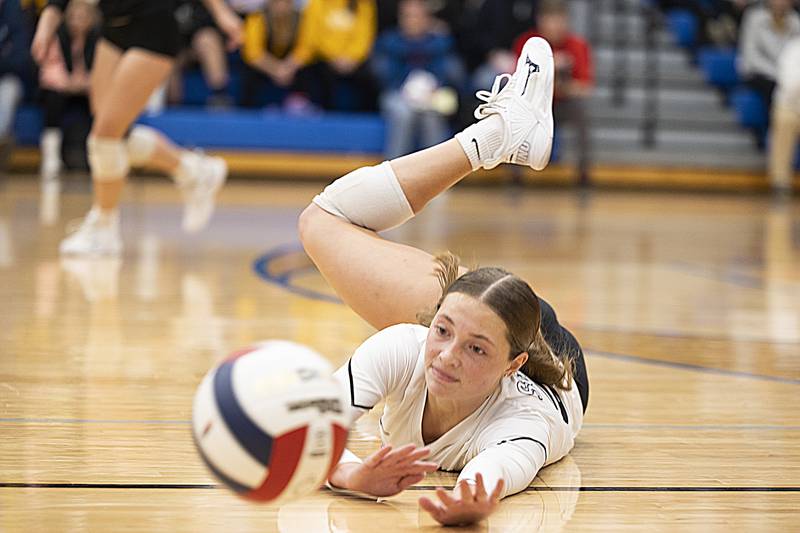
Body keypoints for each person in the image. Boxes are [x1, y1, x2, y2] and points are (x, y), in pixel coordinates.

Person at [299, 37, 588, 527]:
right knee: (323, 219)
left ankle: (500, 136)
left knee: (323, 221)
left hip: (546, 358)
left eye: (475, 350)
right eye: (442, 331)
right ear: (431, 323)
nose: (448, 356)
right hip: (507, 320)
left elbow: (495, 471)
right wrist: (351, 477)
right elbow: (311, 433)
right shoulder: (405, 347)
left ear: (513, 365)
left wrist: (473, 501)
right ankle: (494, 137)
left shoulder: (523, 419)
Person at [31, 0, 243, 256]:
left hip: (154, 27)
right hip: (112, 29)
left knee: (105, 137)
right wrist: (45, 26)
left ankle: (105, 226)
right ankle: (193, 170)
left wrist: (222, 14)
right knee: (111, 136)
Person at [514, 0, 593, 186]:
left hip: (563, 102)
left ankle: (583, 174)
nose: (554, 26)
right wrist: (549, 69)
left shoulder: (577, 46)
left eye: (559, 20)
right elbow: (516, 83)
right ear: (540, 21)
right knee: (514, 114)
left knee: (581, 114)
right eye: (550, 20)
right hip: (533, 105)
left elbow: (584, 88)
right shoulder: (528, 43)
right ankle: (514, 173)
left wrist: (556, 83)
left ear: (566, 21)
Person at [372, 0, 463, 158]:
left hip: (432, 96)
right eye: (408, 16)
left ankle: (437, 173)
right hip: (397, 94)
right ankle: (394, 171)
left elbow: (453, 74)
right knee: (404, 113)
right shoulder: (389, 41)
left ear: (427, 19)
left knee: (432, 115)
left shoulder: (441, 42)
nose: (412, 21)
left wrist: (433, 87)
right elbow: (382, 75)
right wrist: (408, 89)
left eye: (417, 16)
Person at [37, 0, 98, 182]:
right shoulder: (58, 35)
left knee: (100, 103)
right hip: (61, 86)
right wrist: (68, 82)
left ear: (91, 19)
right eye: (73, 17)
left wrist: (87, 82)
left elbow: (102, 70)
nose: (76, 22)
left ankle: (96, 156)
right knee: (53, 100)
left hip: (87, 88)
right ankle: (51, 157)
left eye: (82, 18)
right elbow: (48, 68)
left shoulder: (98, 38)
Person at [281, 0, 377, 111]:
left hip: (354, 61)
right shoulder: (317, 3)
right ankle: (324, 117)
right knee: (315, 74)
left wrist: (352, 58)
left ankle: (369, 118)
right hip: (325, 59)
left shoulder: (364, 3)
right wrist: (334, 57)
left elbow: (365, 37)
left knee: (373, 75)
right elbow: (312, 38)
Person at [240, 0, 307, 109]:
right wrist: (276, 70)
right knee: (248, 70)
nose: (281, 6)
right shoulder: (257, 17)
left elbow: (305, 49)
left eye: (286, 2)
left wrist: (288, 67)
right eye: (276, 2)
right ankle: (248, 109)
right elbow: (253, 53)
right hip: (266, 65)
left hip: (290, 66)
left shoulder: (302, 18)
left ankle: (300, 103)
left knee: (311, 66)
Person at [738, 0, 800, 114]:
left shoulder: (795, 21)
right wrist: (779, 74)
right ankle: (775, 126)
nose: (781, 3)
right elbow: (752, 56)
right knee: (775, 89)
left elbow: (796, 54)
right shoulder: (754, 18)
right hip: (758, 73)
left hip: (786, 75)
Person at [769, 35, 800, 196]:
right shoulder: (794, 49)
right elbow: (789, 85)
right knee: (784, 120)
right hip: (790, 106)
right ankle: (780, 183)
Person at [0, 0, 31, 161]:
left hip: (8, 78)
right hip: (6, 69)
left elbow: (20, 59)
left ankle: (1, 140)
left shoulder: (15, 16)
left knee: (8, 93)